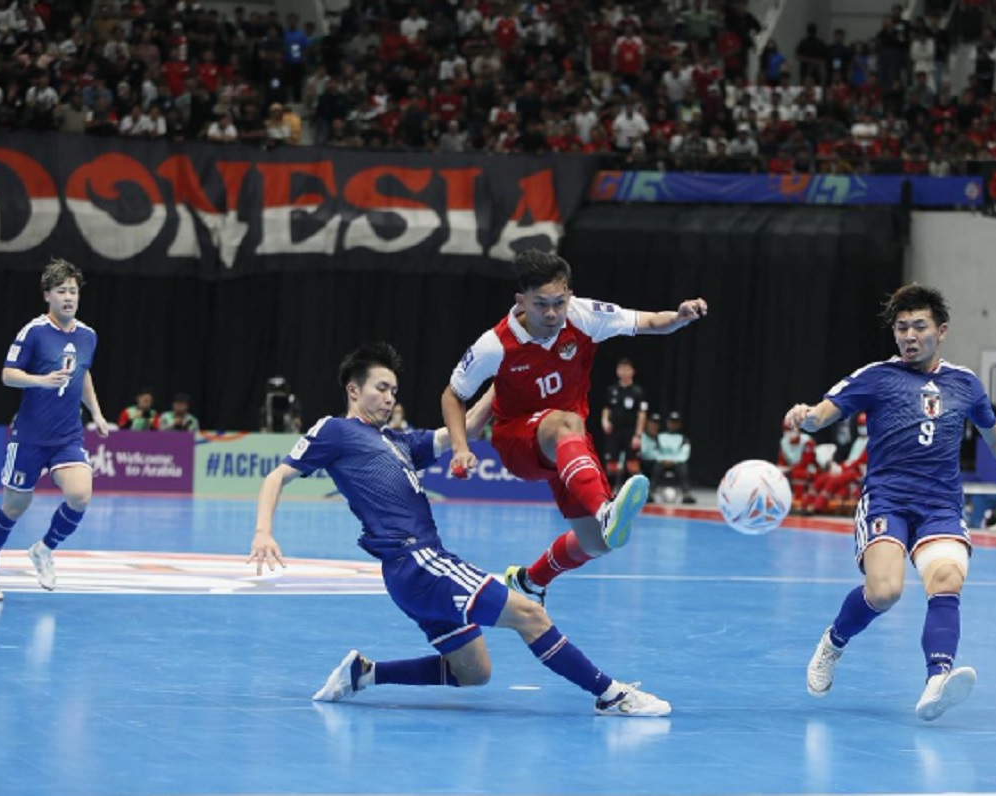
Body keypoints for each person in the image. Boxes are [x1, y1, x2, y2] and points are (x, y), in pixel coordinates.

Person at [247, 342, 670, 716]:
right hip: (418, 560)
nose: (390, 398)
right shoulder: (335, 431)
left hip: (409, 574)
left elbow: (462, 430)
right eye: (381, 388)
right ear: (353, 390)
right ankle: (610, 695)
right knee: (530, 615)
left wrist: (500, 383)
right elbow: (277, 476)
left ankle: (365, 674)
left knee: (473, 672)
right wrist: (263, 531)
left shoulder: (398, 442)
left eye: (394, 391)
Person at [783, 284, 996, 721]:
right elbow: (823, 413)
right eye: (902, 328)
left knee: (947, 578)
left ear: (941, 331)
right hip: (887, 501)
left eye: (919, 327)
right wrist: (806, 416)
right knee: (885, 592)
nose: (909, 336)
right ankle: (833, 642)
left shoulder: (965, 384)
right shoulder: (877, 376)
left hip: (940, 505)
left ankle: (937, 682)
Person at [442, 250, 708, 604]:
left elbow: (649, 322)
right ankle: (605, 509)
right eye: (541, 304)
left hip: (570, 445)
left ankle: (531, 580)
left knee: (597, 543)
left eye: (559, 302)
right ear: (521, 300)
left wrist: (679, 316)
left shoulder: (584, 316)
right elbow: (453, 394)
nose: (552, 313)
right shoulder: (495, 345)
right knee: (567, 422)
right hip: (518, 440)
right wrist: (461, 447)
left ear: (569, 293)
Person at [0, 259, 110, 601]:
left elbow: (83, 373)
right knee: (14, 506)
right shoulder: (33, 332)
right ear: (47, 295)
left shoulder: (88, 335)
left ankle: (43, 549)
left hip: (67, 436)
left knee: (80, 495)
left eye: (73, 291)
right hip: (29, 436)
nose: (68, 297)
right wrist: (41, 381)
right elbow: (8, 375)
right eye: (61, 291)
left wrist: (97, 412)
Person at [600, 357, 648, 490]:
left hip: (631, 431)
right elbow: (606, 408)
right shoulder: (612, 390)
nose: (624, 372)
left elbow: (642, 414)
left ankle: (636, 493)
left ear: (632, 371)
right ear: (617, 371)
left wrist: (638, 435)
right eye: (622, 369)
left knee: (632, 465)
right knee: (611, 464)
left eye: (627, 369)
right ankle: (608, 493)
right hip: (614, 431)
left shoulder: (637, 392)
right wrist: (605, 421)